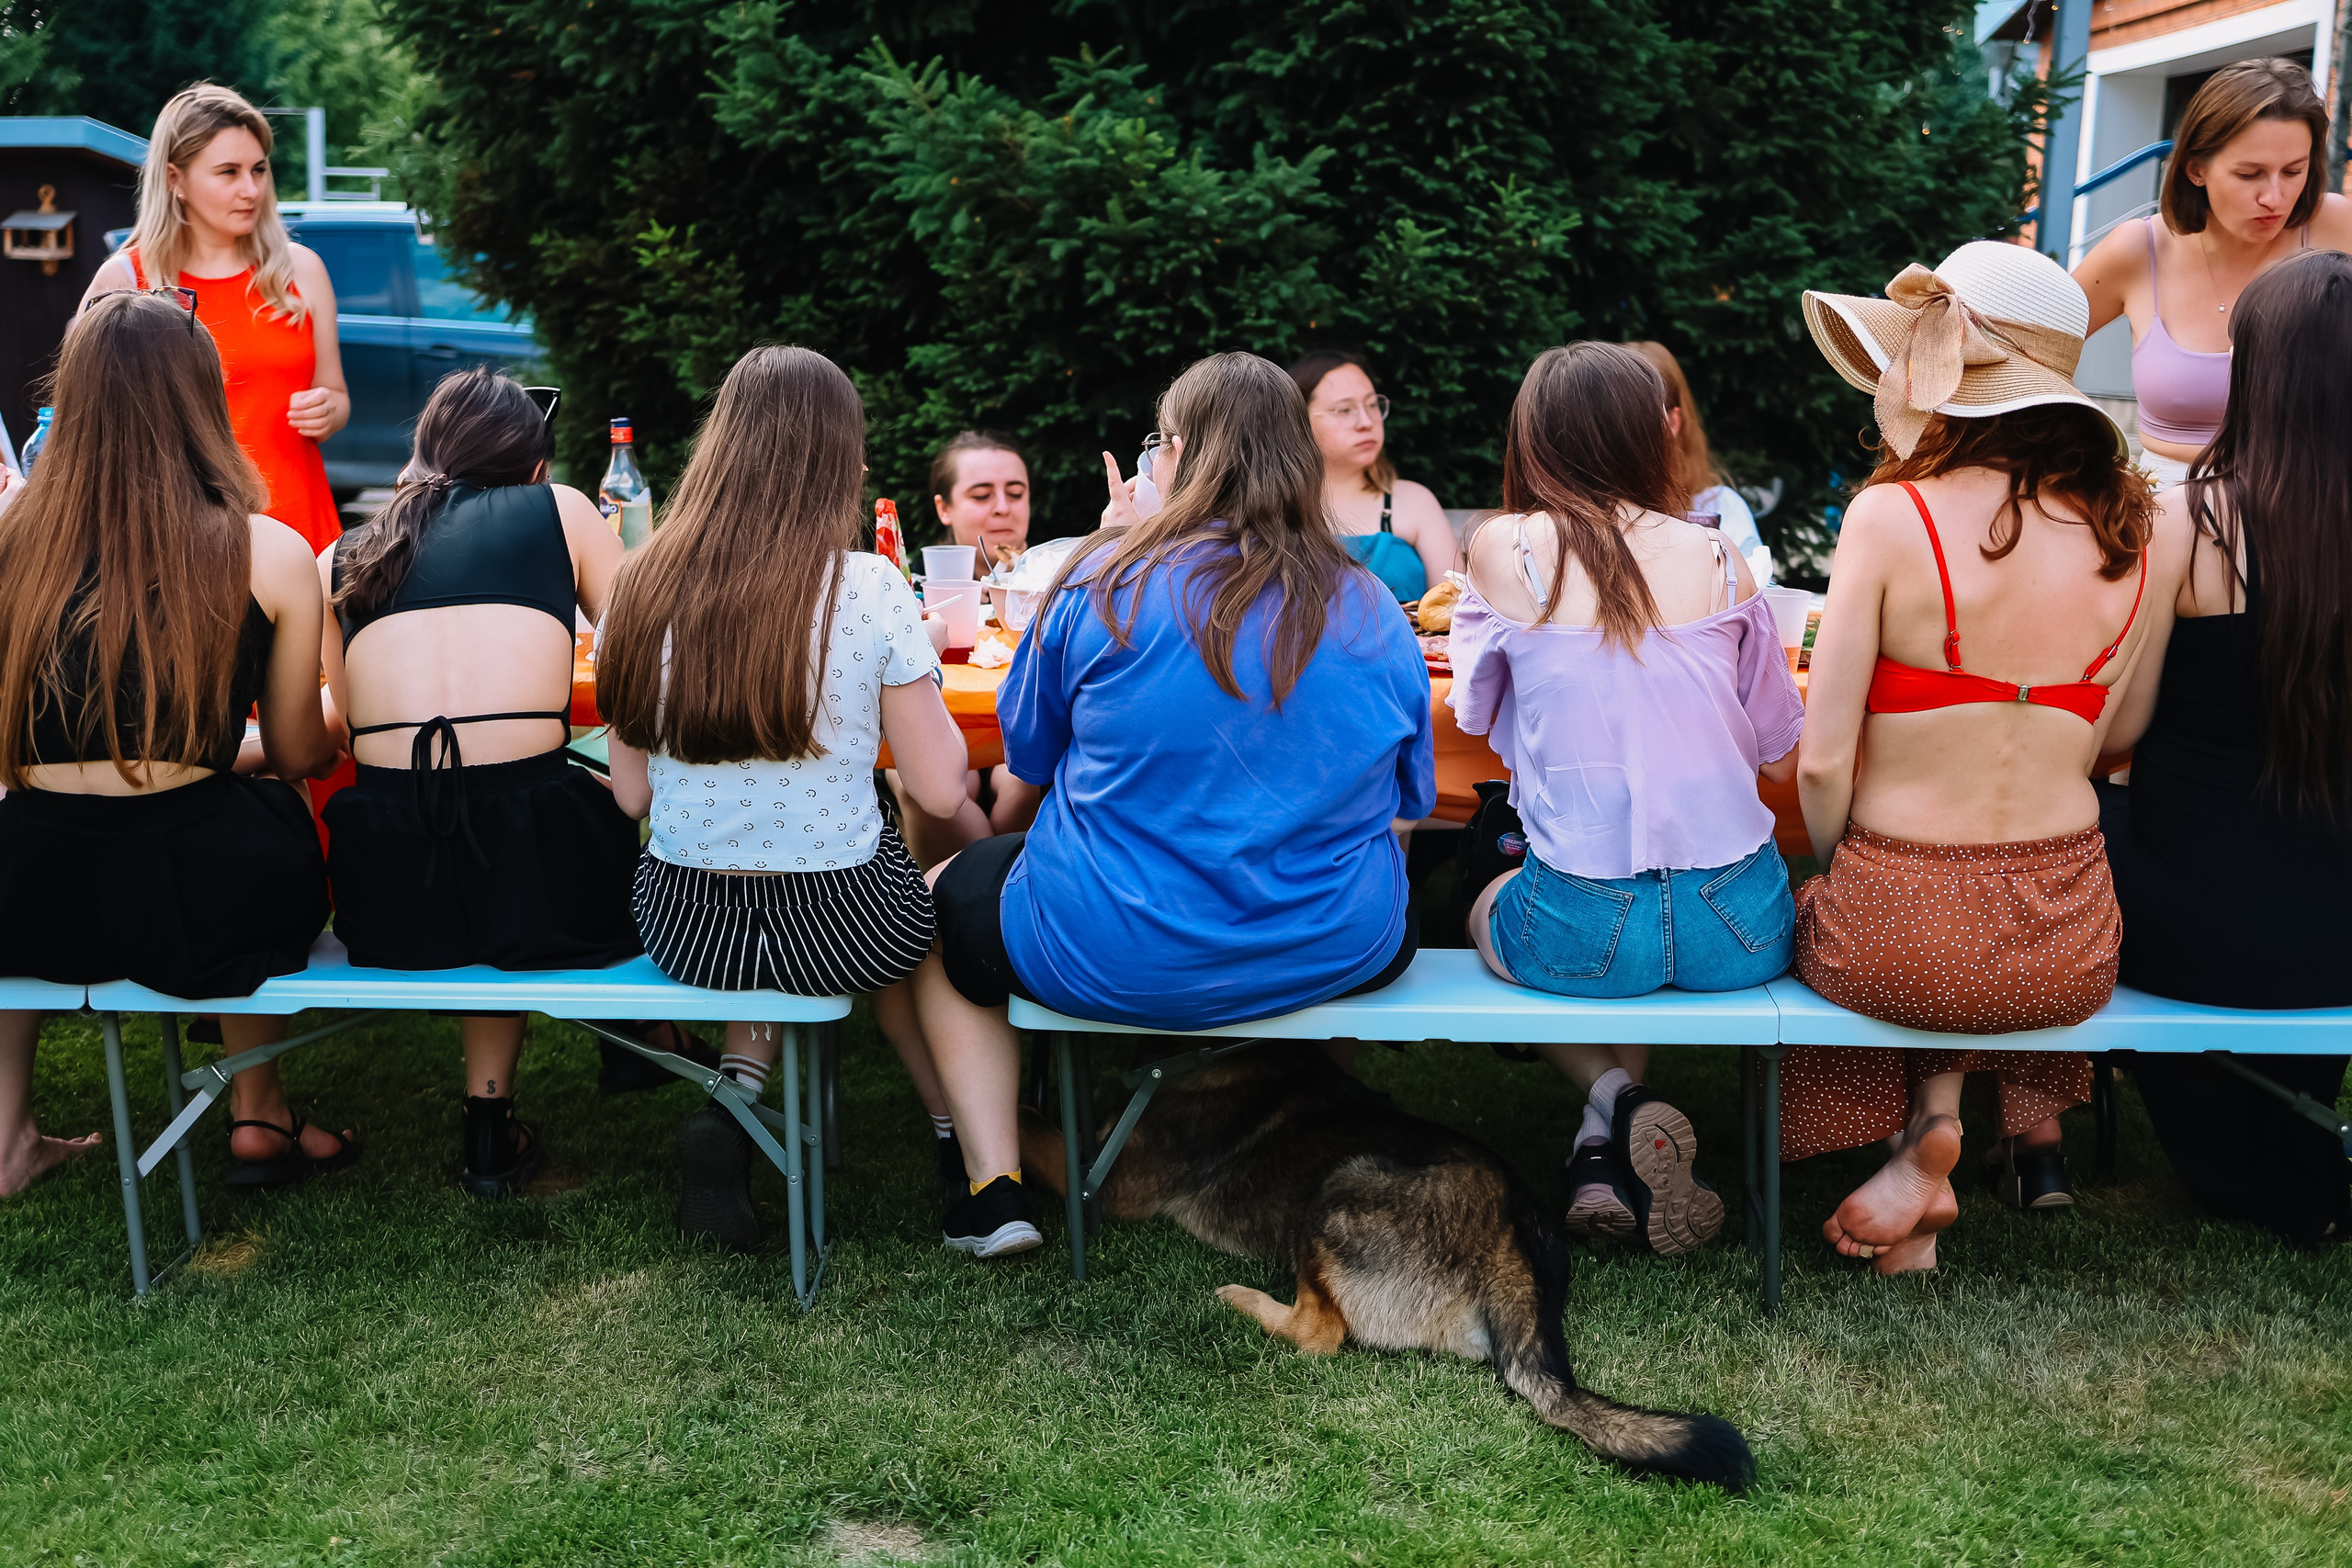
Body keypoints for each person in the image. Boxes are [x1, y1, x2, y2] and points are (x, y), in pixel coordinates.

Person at [909, 351, 1436, 1260]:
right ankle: (1295, 1111)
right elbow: (1411, 800)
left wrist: (1109, 549)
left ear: (1177, 454)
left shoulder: (1100, 585)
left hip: (1108, 944)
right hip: (1332, 944)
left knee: (936, 899)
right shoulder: (1374, 607)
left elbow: (1025, 751)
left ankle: (992, 1186)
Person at [1787, 240, 2179, 1274]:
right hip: (2065, 943)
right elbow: (2120, 736)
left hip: (1899, 935)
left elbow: (1819, 765)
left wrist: (1838, 864)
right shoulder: (2135, 539)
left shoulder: (1890, 514)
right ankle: (1934, 1135)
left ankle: (1917, 1136)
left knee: (1876, 920)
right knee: (1955, 936)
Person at [601, 346, 971, 1249]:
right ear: (836, 458)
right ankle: (960, 1140)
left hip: (687, 920)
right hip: (839, 922)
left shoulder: (639, 583)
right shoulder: (869, 587)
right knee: (919, 898)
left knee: (769, 925)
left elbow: (629, 793)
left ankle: (731, 1109)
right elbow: (937, 785)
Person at [1450, 344, 1803, 1257]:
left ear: (1534, 439)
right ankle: (1601, 1145)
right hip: (1741, 926)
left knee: (1481, 897)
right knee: (1640, 928)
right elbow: (1773, 739)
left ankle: (1617, 1099)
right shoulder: (1723, 558)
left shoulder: (1504, 549)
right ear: (1652, 434)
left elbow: (1475, 710)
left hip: (1584, 927)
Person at [0, 291, 343, 1195]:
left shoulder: (9, 540)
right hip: (203, 896)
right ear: (202, 398)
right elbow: (304, 752)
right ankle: (258, 1110)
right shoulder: (265, 550)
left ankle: (3, 1140)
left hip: (27, 893)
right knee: (261, 811)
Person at [319, 368, 638, 1196]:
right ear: (534, 467)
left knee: (491, 807)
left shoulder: (344, 555)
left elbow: (344, 727)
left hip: (390, 893)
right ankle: (638, 1047)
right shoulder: (563, 510)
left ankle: (494, 1117)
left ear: (420, 455)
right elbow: (643, 656)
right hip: (540, 877)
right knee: (563, 800)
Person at [2098, 250, 2352, 1246]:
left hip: (2195, 934)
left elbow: (2118, 729)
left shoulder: (2189, 520)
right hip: (2344, 934)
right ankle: (2288, 1137)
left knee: (2089, 813)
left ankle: (2045, 1126)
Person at [80, 84, 348, 555]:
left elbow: (338, 397)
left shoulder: (301, 269)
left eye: (259, 169)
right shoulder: (125, 281)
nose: (251, 189)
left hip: (301, 527)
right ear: (174, 179)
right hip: (178, 542)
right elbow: (85, 427)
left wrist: (328, 409)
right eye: (228, 172)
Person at [2074, 58, 2352, 491]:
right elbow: (2021, 353)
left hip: (2307, 516)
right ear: (2196, 168)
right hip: (2164, 520)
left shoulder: (2336, 225)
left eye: (2294, 171)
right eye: (2249, 174)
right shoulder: (2137, 249)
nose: (2274, 196)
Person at [897, 431, 1045, 862]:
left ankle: (997, 891)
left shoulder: (1056, 583)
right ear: (944, 507)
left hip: (1018, 731)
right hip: (938, 730)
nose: (1003, 506)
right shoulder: (910, 593)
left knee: (1024, 774)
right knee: (915, 782)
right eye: (982, 495)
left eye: (1015, 492)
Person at [1288, 350, 1456, 603]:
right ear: (1299, 422)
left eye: (1371, 404)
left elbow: (1458, 610)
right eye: (1344, 410)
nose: (1366, 421)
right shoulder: (1279, 506)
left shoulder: (1414, 501)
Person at [1629, 342, 1774, 584]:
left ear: (1671, 423)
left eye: (1639, 417)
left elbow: (1756, 590)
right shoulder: (1585, 509)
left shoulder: (1718, 505)